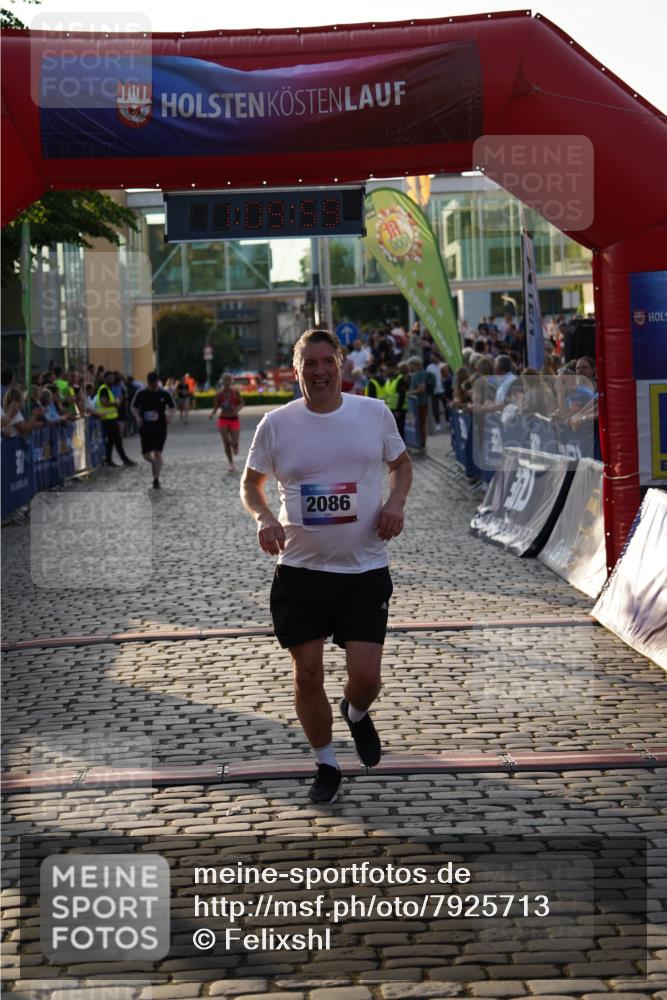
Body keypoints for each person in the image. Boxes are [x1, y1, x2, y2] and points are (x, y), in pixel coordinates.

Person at [240, 329, 412, 804]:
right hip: (300, 571)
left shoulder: (373, 413)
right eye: (308, 364)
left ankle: (356, 713)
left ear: (341, 365)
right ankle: (326, 762)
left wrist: (396, 501)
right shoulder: (275, 424)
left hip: (364, 569)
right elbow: (251, 484)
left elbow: (401, 464)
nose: (318, 371)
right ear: (295, 372)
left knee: (368, 677)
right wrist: (264, 517)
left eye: (326, 361)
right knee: (307, 674)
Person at [131, 371, 174, 489]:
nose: (153, 386)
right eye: (151, 384)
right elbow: (133, 407)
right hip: (145, 427)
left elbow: (172, 406)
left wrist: (169, 416)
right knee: (145, 455)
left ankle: (156, 479)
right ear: (148, 382)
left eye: (155, 384)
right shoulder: (141, 393)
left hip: (160, 426)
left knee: (157, 452)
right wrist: (138, 417)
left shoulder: (164, 394)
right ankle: (155, 464)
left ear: (157, 382)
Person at [94, 379, 135, 467]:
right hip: (107, 419)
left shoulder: (107, 389)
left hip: (110, 419)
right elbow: (104, 403)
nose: (112, 380)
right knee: (116, 440)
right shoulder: (104, 389)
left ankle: (109, 459)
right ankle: (124, 459)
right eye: (111, 378)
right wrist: (115, 403)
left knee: (111, 441)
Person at [210, 373, 244, 472]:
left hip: (234, 419)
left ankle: (235, 446)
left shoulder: (235, 393)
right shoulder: (219, 394)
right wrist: (212, 414)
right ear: (222, 382)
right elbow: (216, 407)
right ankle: (231, 463)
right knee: (226, 442)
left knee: (234, 442)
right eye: (225, 381)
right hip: (223, 419)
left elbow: (242, 403)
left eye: (228, 380)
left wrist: (237, 409)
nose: (226, 383)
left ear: (231, 382)